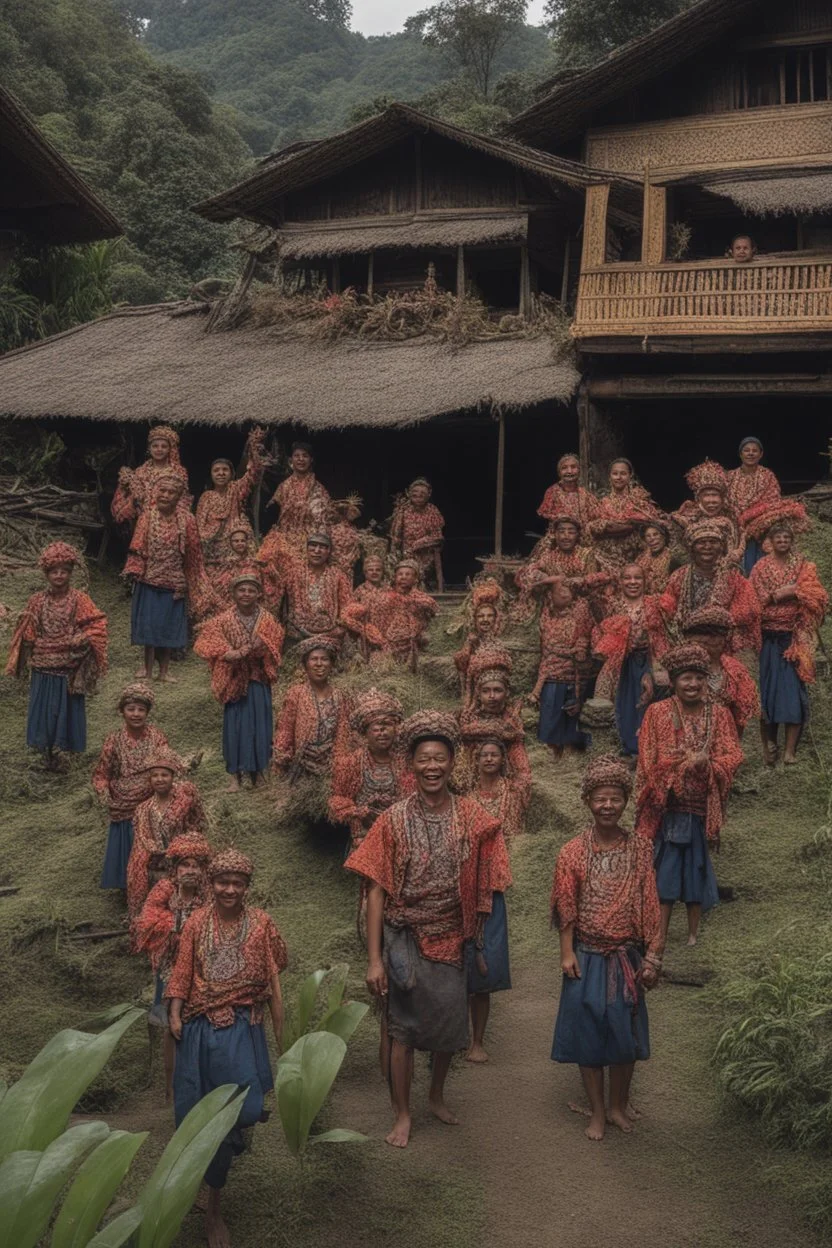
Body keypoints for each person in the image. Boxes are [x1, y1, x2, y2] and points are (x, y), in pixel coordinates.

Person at [345, 711, 508, 1148]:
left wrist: (477, 928)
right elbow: (376, 891)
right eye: (424, 759)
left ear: (453, 764)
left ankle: (435, 1095)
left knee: (447, 1028)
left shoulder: (473, 817)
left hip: (452, 935)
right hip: (404, 936)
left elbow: (490, 876)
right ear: (410, 766)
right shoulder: (392, 820)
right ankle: (402, 1113)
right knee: (402, 1028)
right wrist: (375, 959)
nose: (432, 766)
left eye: (440, 758)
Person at [167, 848, 287, 1248]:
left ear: (248, 887)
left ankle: (220, 1162)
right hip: (201, 1028)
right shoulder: (197, 923)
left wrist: (257, 996)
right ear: (210, 884)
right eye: (222, 881)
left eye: (238, 883)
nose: (229, 889)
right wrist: (175, 1012)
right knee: (202, 1117)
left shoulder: (262, 924)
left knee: (244, 1111)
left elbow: (278, 964)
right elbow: (183, 970)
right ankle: (213, 1205)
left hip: (242, 1027)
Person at [551, 755, 663, 1142]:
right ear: (588, 801)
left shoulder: (641, 849)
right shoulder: (572, 852)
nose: (608, 806)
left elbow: (651, 902)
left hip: (626, 956)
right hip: (586, 955)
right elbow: (565, 905)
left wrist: (653, 955)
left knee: (624, 1034)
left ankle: (617, 1105)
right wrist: (567, 952)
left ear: (625, 802)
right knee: (588, 1034)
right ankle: (597, 1112)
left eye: (616, 798)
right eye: (601, 798)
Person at [636, 644, 743, 946]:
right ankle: (660, 932)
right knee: (665, 871)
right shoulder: (657, 713)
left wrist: (708, 763)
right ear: (672, 681)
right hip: (666, 807)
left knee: (696, 867)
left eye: (698, 677)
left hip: (700, 808)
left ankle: (693, 935)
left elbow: (733, 755)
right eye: (686, 678)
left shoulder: (719, 715)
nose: (693, 684)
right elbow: (647, 757)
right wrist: (677, 768)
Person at [6, 542, 107, 769]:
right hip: (42, 666)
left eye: (64, 571)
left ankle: (65, 752)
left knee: (67, 708)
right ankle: (43, 752)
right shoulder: (37, 600)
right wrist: (31, 641)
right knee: (44, 709)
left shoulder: (80, 599)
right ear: (46, 574)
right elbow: (28, 628)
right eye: (54, 571)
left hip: (68, 666)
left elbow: (96, 624)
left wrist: (79, 639)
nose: (59, 575)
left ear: (70, 573)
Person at [133, 832, 212, 1102]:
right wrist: (182, 926)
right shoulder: (165, 890)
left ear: (203, 869)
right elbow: (148, 921)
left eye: (196, 866)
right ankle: (171, 1087)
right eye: (184, 865)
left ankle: (201, 1082)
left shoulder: (209, 894)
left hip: (203, 968)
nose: (190, 871)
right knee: (170, 1026)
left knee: (201, 1021)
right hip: (170, 968)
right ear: (175, 868)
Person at [194, 573, 285, 791]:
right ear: (234, 593)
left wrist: (261, 646)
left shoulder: (268, 620)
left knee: (260, 726)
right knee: (235, 727)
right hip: (234, 680)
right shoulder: (223, 620)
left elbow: (276, 640)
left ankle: (258, 773)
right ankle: (234, 776)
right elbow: (205, 642)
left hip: (258, 678)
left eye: (251, 590)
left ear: (258, 594)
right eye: (241, 590)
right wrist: (229, 653)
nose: (246, 594)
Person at [750, 522, 828, 765]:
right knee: (768, 691)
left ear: (791, 541)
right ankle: (769, 748)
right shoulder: (761, 567)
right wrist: (781, 593)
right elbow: (755, 599)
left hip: (795, 637)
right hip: (768, 637)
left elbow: (815, 593)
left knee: (794, 691)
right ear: (770, 542)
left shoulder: (802, 564)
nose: (782, 541)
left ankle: (790, 751)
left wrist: (796, 590)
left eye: (786, 538)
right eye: (778, 538)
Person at [124, 474, 206, 682]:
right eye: (163, 491)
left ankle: (164, 671)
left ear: (178, 497)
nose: (166, 495)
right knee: (149, 627)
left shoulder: (187, 520)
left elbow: (194, 554)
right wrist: (134, 571)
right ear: (155, 492)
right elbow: (137, 545)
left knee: (168, 627)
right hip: (149, 579)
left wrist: (193, 581)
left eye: (171, 493)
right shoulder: (147, 516)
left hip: (174, 582)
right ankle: (147, 669)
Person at [95, 683, 173, 891]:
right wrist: (103, 790)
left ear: (147, 712)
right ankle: (126, 890)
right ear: (122, 712)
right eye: (131, 709)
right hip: (122, 807)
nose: (136, 714)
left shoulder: (157, 738)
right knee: (126, 853)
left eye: (141, 709)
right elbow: (103, 773)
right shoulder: (114, 740)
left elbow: (167, 766)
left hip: (149, 804)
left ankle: (152, 889)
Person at [466, 742, 514, 1065]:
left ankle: (477, 1041)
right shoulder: (464, 801)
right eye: (483, 754)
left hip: (491, 888)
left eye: (494, 754)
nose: (488, 759)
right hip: (461, 889)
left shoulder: (509, 794)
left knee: (484, 971)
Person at [592, 563, 669, 757]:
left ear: (645, 581)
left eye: (638, 578)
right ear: (620, 581)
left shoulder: (654, 604)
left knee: (647, 702)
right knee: (622, 704)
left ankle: (647, 750)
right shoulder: (611, 605)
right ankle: (623, 749)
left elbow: (663, 634)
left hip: (648, 661)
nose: (632, 582)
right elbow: (598, 631)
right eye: (627, 578)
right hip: (620, 664)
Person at [127, 750, 207, 919]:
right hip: (153, 867)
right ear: (149, 780)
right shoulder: (143, 809)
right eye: (155, 775)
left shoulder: (184, 802)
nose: (160, 779)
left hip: (182, 865)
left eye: (164, 775)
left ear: (172, 777)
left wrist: (181, 851)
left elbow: (199, 826)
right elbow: (140, 842)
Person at [660, 521, 761, 655]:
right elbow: (668, 609)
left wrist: (714, 620)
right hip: (686, 644)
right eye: (701, 542)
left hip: (723, 647)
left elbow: (747, 611)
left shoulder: (734, 577)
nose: (707, 546)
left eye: (713, 542)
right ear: (692, 547)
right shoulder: (679, 576)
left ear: (720, 547)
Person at [329, 688, 408, 851]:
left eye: (386, 725)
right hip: (364, 834)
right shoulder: (352, 763)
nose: (382, 731)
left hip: (399, 829)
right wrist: (359, 812)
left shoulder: (405, 762)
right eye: (375, 726)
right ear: (365, 732)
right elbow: (337, 800)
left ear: (395, 728)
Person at [529, 580, 593, 758]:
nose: (565, 592)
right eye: (560, 589)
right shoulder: (546, 616)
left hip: (574, 678)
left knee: (573, 723)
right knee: (550, 724)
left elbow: (583, 646)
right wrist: (557, 577)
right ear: (550, 595)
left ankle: (571, 756)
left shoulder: (580, 616)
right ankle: (553, 756)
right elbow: (534, 586)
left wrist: (579, 650)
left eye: (568, 589)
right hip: (550, 678)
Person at [726, 437, 809, 574]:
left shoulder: (767, 476)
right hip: (736, 525)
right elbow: (726, 501)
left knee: (761, 556)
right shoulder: (730, 476)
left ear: (761, 454)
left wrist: (752, 517)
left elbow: (773, 501)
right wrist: (739, 518)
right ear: (740, 454)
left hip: (762, 524)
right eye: (746, 450)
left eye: (754, 451)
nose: (751, 453)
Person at [459, 647, 531, 804]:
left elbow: (519, 758)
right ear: (478, 694)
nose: (492, 696)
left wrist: (518, 783)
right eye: (486, 691)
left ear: (507, 692)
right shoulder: (469, 718)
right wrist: (495, 729)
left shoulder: (511, 721)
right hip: (469, 776)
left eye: (497, 690)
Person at [273, 636, 348, 782]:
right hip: (302, 767)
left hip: (331, 767)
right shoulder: (296, 693)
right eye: (314, 659)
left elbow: (343, 734)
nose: (319, 664)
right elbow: (285, 729)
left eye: (324, 659)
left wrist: (340, 765)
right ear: (306, 665)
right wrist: (281, 760)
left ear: (332, 664)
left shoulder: (341, 697)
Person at [680, 606, 759, 739]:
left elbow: (740, 714)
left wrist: (733, 743)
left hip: (725, 735)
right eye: (703, 636)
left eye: (717, 635)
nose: (711, 641)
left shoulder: (735, 671)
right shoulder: (682, 666)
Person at [515, 516, 610, 623]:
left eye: (571, 532)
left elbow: (602, 577)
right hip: (553, 609)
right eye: (561, 531)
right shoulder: (548, 557)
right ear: (555, 534)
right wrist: (538, 575)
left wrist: (582, 580)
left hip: (583, 607)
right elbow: (524, 574)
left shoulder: (586, 555)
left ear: (577, 535)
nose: (566, 536)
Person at [274, 532, 365, 644]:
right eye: (313, 545)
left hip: (330, 635)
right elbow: (276, 596)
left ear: (328, 552)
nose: (317, 551)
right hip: (297, 634)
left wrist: (341, 627)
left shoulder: (338, 575)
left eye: (322, 547)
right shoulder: (293, 572)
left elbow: (347, 605)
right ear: (306, 548)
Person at [195, 430, 265, 571]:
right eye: (216, 470)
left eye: (225, 470)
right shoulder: (206, 496)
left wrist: (253, 449)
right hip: (212, 544)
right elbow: (199, 525)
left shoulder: (236, 488)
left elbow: (253, 474)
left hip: (235, 539)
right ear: (211, 475)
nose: (221, 473)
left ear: (232, 474)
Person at [588, 459, 660, 575]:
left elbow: (651, 521)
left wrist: (614, 527)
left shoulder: (639, 501)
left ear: (630, 476)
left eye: (623, 473)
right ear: (610, 476)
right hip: (606, 557)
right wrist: (628, 527)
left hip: (635, 555)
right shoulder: (602, 502)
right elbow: (593, 527)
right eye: (615, 474)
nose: (619, 477)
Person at [111, 425, 190, 528]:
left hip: (169, 524)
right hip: (141, 524)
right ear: (149, 448)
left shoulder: (178, 472)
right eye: (155, 446)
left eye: (164, 446)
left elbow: (183, 500)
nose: (159, 449)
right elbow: (131, 498)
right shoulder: (140, 471)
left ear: (170, 449)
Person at [671, 460, 744, 566]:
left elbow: (735, 550)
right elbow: (676, 551)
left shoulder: (732, 518)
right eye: (706, 495)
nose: (711, 500)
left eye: (715, 495)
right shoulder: (684, 518)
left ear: (722, 499)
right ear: (698, 498)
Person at [269, 441, 331, 556]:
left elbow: (325, 519)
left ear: (311, 460)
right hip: (286, 538)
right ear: (291, 460)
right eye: (297, 456)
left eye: (305, 456)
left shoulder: (319, 489)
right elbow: (274, 514)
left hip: (311, 540)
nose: (300, 459)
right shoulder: (283, 487)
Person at [374, 560, 438, 668]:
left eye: (408, 574)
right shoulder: (386, 596)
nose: (403, 577)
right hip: (388, 638)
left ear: (415, 579)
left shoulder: (420, 597)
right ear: (395, 578)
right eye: (400, 574)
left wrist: (413, 602)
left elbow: (433, 607)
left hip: (412, 638)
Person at [453, 578, 505, 703]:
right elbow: (461, 664)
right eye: (480, 616)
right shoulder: (471, 639)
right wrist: (470, 646)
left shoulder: (501, 641)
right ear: (475, 620)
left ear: (496, 618)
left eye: (489, 616)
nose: (485, 619)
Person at [391, 478, 445, 589]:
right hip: (406, 552)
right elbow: (396, 535)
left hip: (426, 553)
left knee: (417, 571)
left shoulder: (432, 511)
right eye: (415, 493)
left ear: (428, 495)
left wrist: (418, 544)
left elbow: (438, 537)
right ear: (409, 494)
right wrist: (394, 552)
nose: (418, 496)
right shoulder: (404, 510)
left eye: (422, 494)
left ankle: (421, 585)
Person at [537, 453, 599, 532]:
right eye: (564, 468)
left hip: (581, 535)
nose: (569, 471)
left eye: (573, 467)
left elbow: (596, 516)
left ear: (579, 470)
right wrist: (561, 517)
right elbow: (543, 513)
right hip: (558, 536)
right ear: (559, 472)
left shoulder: (585, 494)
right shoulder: (552, 492)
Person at [328, 496, 363, 580]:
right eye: (351, 511)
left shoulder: (353, 530)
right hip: (333, 567)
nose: (353, 515)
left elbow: (356, 551)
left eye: (354, 512)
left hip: (348, 569)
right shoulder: (332, 529)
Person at [637, 520, 675, 594]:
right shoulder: (641, 558)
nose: (652, 539)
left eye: (655, 534)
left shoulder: (673, 558)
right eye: (648, 536)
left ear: (663, 537)